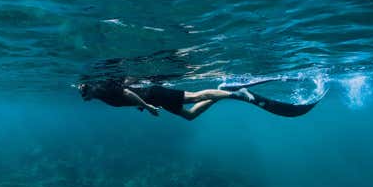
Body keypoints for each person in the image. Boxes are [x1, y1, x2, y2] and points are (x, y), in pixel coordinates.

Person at [78, 78, 319, 120]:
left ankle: (237, 94)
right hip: (154, 99)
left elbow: (127, 93)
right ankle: (224, 92)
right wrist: (143, 106)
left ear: (89, 89)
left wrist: (147, 106)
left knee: (196, 95)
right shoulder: (100, 94)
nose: (84, 98)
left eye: (83, 93)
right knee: (190, 115)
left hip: (155, 96)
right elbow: (128, 96)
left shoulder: (101, 90)